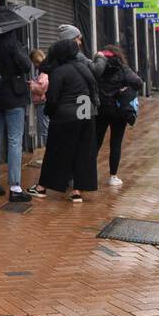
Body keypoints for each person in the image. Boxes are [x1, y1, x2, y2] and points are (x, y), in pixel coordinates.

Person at [34, 38, 100, 202]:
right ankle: (77, 191)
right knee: (83, 153)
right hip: (86, 114)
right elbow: (93, 91)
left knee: (55, 152)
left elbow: (53, 98)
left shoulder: (59, 71)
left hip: (66, 116)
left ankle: (42, 188)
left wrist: (50, 113)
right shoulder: (84, 68)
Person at [0, 27, 35, 203]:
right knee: (14, 140)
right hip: (14, 97)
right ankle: (15, 187)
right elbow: (27, 66)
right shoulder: (12, 42)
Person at [93, 44, 143, 186]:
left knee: (96, 142)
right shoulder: (123, 68)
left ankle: (89, 174)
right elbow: (138, 83)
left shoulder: (99, 67)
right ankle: (113, 176)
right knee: (116, 143)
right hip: (119, 111)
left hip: (101, 110)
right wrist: (125, 89)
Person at [27, 48, 50, 166]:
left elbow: (41, 89)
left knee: (45, 130)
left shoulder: (43, 72)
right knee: (45, 129)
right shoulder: (43, 70)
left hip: (43, 103)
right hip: (42, 103)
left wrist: (32, 84)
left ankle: (49, 157)